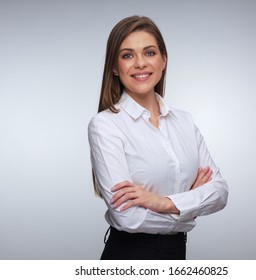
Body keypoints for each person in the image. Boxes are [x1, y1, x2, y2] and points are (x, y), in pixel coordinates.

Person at [88, 15, 228, 260]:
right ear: (114, 66)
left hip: (177, 254)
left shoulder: (184, 121)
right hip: (129, 256)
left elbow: (219, 192)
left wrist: (161, 202)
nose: (140, 63)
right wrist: (189, 209)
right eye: (127, 55)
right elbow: (126, 217)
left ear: (163, 60)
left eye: (149, 53)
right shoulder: (106, 125)